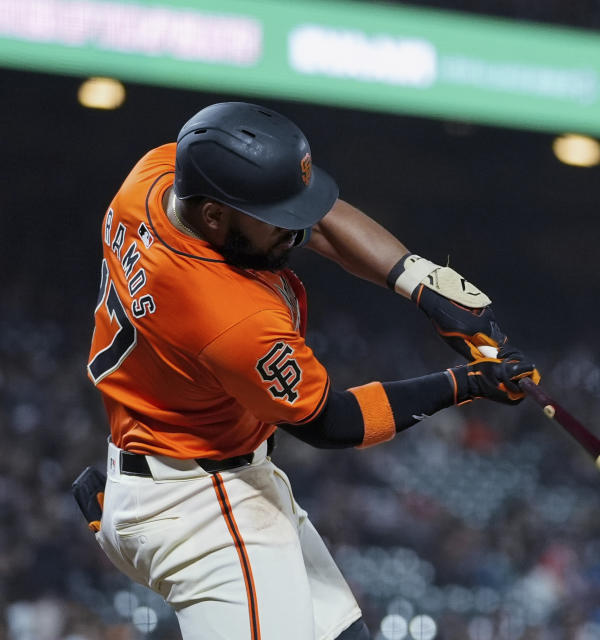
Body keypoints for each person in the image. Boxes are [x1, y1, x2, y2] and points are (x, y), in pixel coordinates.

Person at [74, 101, 539, 640]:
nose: (294, 229)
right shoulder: (230, 316)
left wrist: (421, 281)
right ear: (213, 217)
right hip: (202, 507)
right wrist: (467, 384)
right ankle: (134, 529)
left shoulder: (155, 178)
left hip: (187, 464)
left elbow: (315, 221)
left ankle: (129, 523)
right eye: (276, 218)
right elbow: (331, 422)